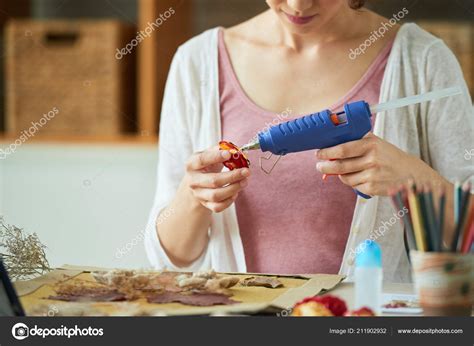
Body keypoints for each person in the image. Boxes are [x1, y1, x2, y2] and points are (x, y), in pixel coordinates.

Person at [145, 0, 473, 282]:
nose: (298, 5)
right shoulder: (197, 63)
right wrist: (193, 196)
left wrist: (412, 179)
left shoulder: (422, 61)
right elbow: (171, 258)